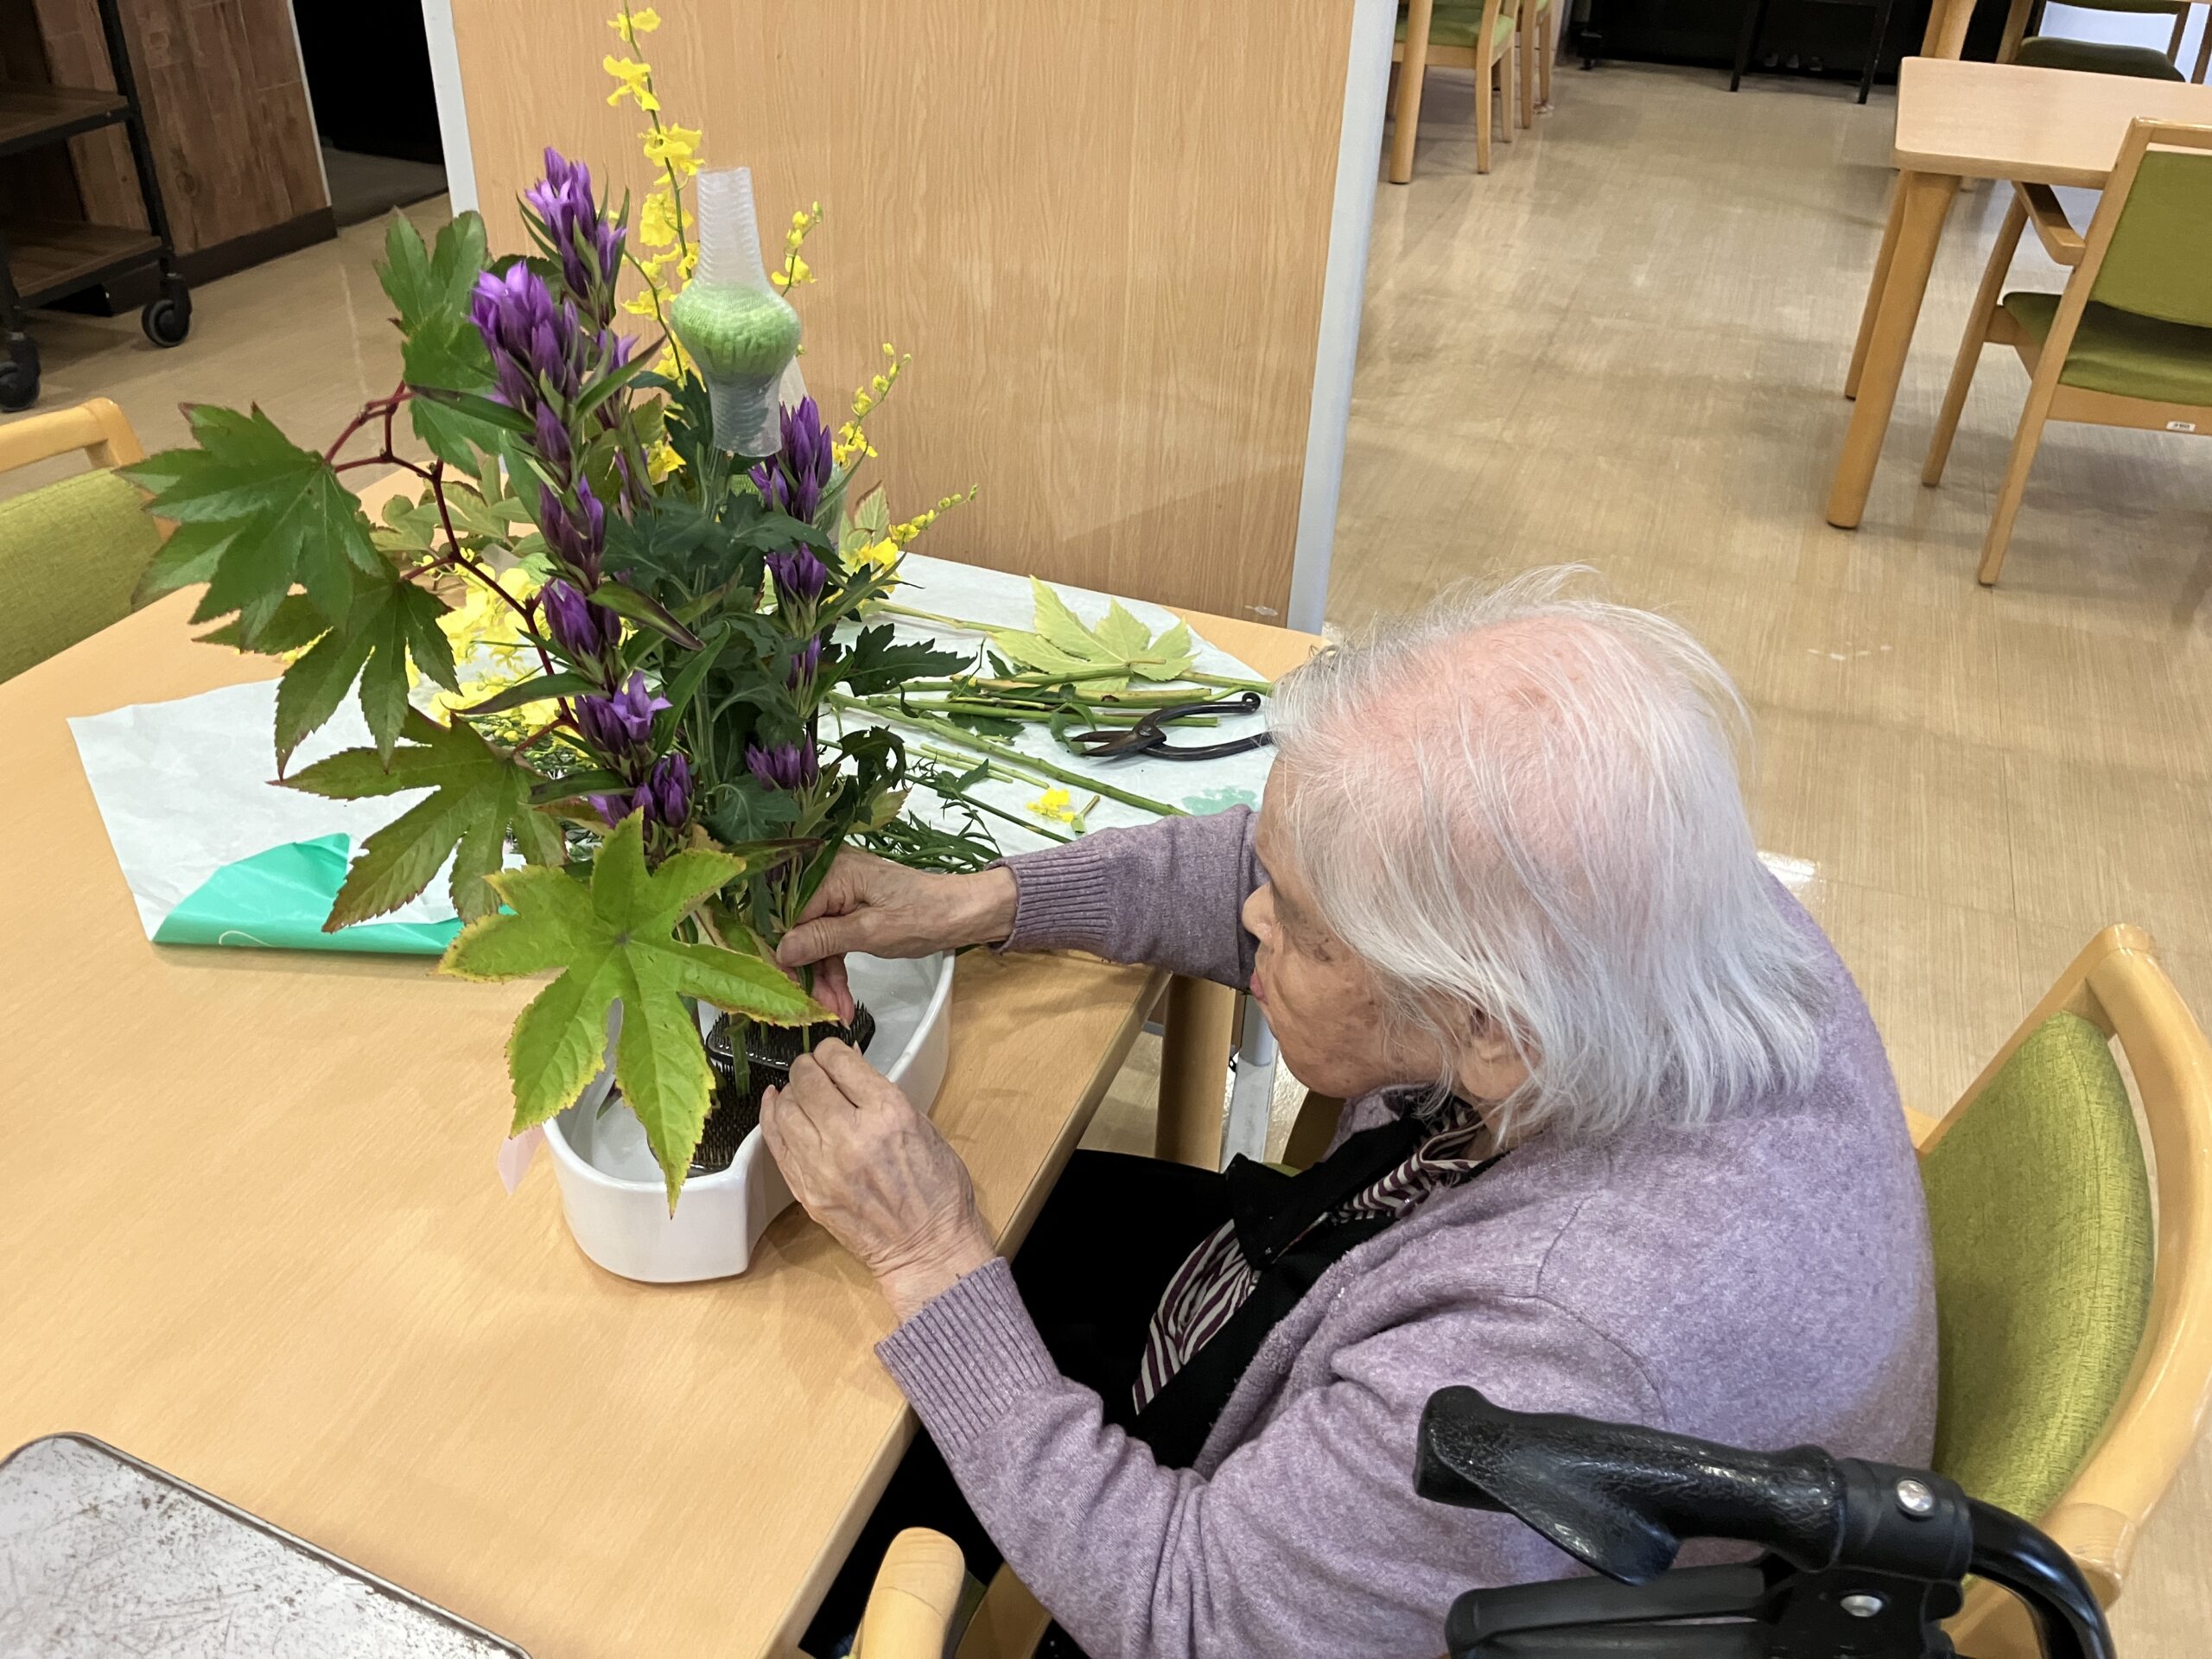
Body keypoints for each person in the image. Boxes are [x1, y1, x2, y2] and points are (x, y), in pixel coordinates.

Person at [762, 569, 1936, 1659]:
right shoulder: (1632, 889)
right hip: (1336, 1373)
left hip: (1284, 1596)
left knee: (799, 1503)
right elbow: (1298, 867)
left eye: (1304, 932)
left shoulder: (1538, 1360)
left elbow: (1195, 1618)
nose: (1254, 916)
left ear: (1488, 1025)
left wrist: (930, 1256)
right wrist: (986, 900)